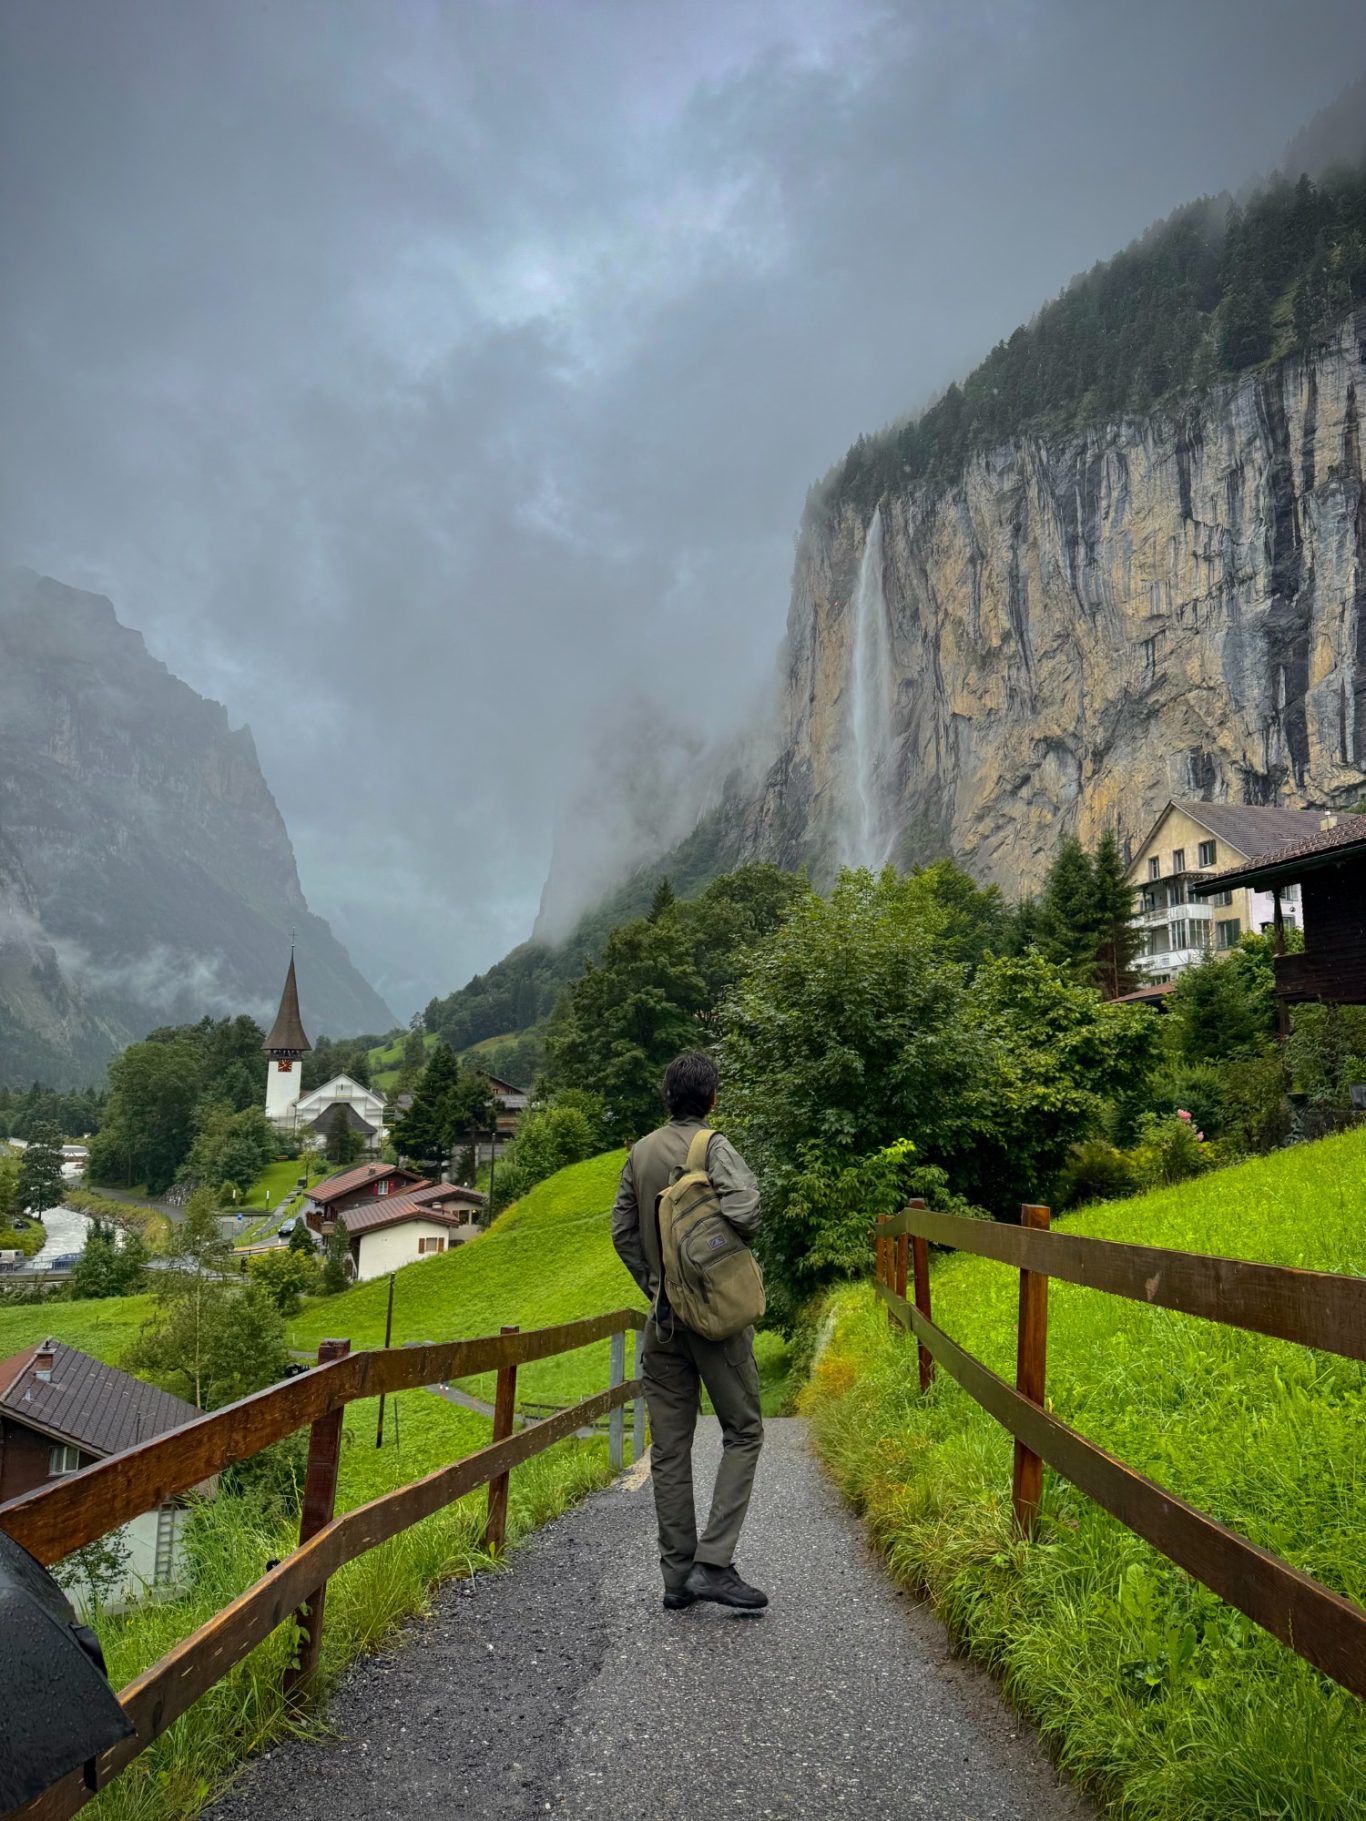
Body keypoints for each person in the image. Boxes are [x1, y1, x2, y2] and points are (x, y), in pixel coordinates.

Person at [610, 1051, 767, 1611]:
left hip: (662, 1326)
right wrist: (711, 1260)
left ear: (667, 1097)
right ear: (712, 1098)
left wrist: (658, 1286)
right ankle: (714, 1563)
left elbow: (622, 1232)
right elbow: (746, 1211)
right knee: (743, 1431)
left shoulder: (639, 1153)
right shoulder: (712, 1146)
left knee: (671, 1450)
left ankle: (677, 1579)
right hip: (715, 1323)